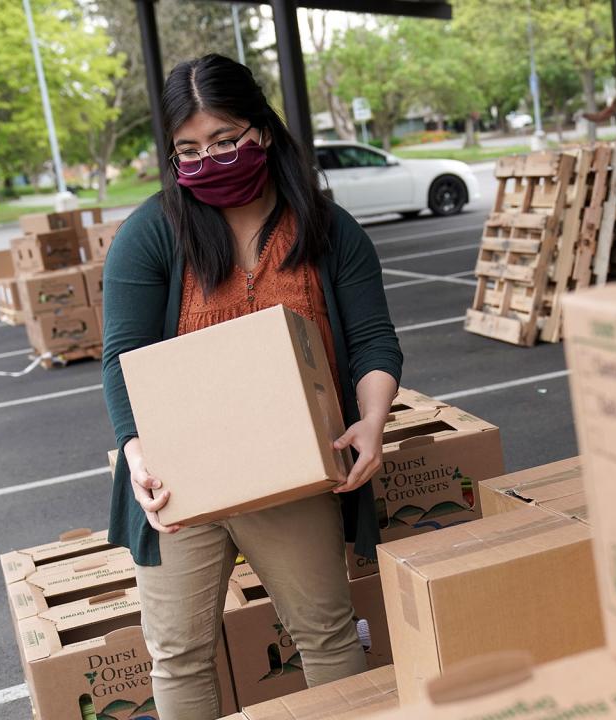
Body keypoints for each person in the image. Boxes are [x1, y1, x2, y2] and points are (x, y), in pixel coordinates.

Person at [101, 54, 403, 720]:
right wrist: (138, 453)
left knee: (324, 635)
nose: (208, 160)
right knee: (179, 652)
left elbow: (374, 342)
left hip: (291, 466)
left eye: (224, 140)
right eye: (188, 150)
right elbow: (121, 356)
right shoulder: (153, 232)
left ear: (261, 130)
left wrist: (373, 420)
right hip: (179, 474)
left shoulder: (326, 230)